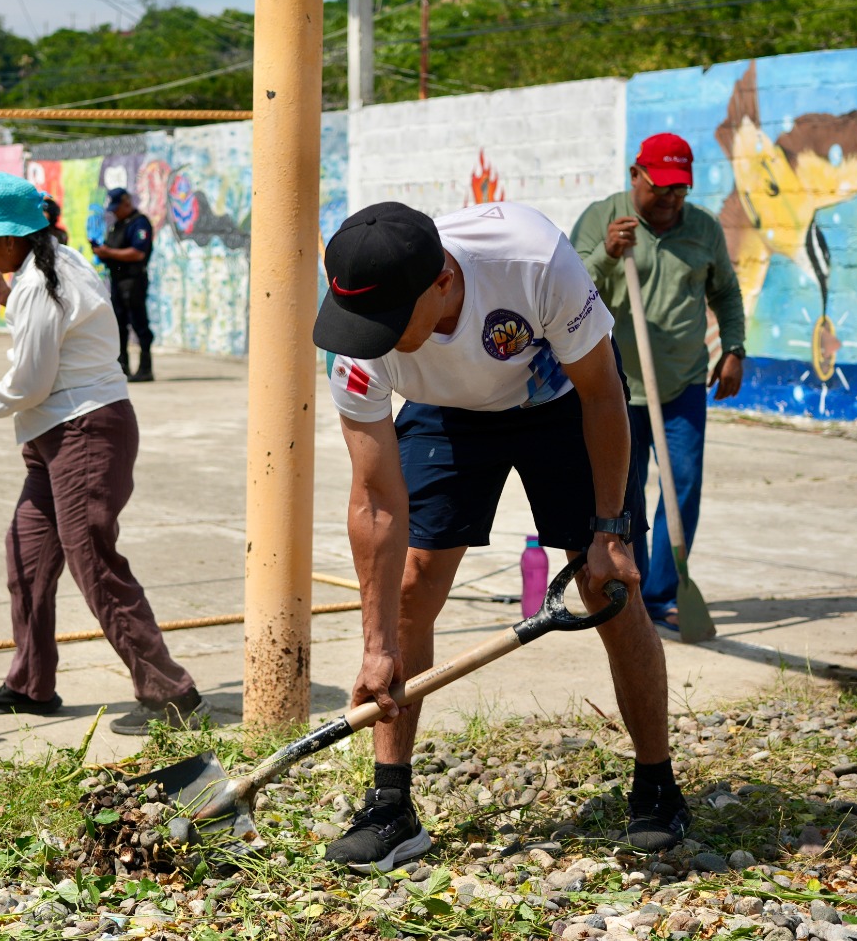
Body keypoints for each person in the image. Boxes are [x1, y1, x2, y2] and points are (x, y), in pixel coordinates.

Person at [313, 200, 683, 873]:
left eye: (390, 325)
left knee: (608, 584)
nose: (372, 339)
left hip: (561, 399)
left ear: (444, 283)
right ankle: (391, 805)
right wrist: (376, 645)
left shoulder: (531, 260)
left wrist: (608, 529)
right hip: (450, 413)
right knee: (409, 586)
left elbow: (602, 393)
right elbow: (374, 497)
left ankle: (656, 781)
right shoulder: (361, 338)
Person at [0, 172, 205, 736]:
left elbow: (32, 381)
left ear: (12, 239)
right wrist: (6, 297)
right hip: (54, 434)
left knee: (93, 563)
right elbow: (53, 334)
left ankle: (172, 693)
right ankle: (30, 683)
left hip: (83, 430)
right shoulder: (52, 268)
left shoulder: (42, 281)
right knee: (27, 556)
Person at [571, 134, 747, 630]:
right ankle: (635, 587)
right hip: (616, 385)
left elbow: (727, 293)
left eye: (680, 190)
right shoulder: (602, 218)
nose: (670, 199)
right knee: (625, 497)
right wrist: (607, 253)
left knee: (682, 486)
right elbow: (569, 288)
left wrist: (733, 349)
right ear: (636, 176)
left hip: (684, 381)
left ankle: (666, 591)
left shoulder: (703, 230)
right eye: (661, 187)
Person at [93, 187, 155, 382]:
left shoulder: (139, 224)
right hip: (118, 281)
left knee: (139, 324)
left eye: (116, 207)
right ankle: (122, 367)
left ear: (126, 203)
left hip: (133, 281)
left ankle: (145, 368)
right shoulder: (117, 225)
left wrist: (109, 253)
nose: (114, 212)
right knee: (118, 324)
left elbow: (138, 253)